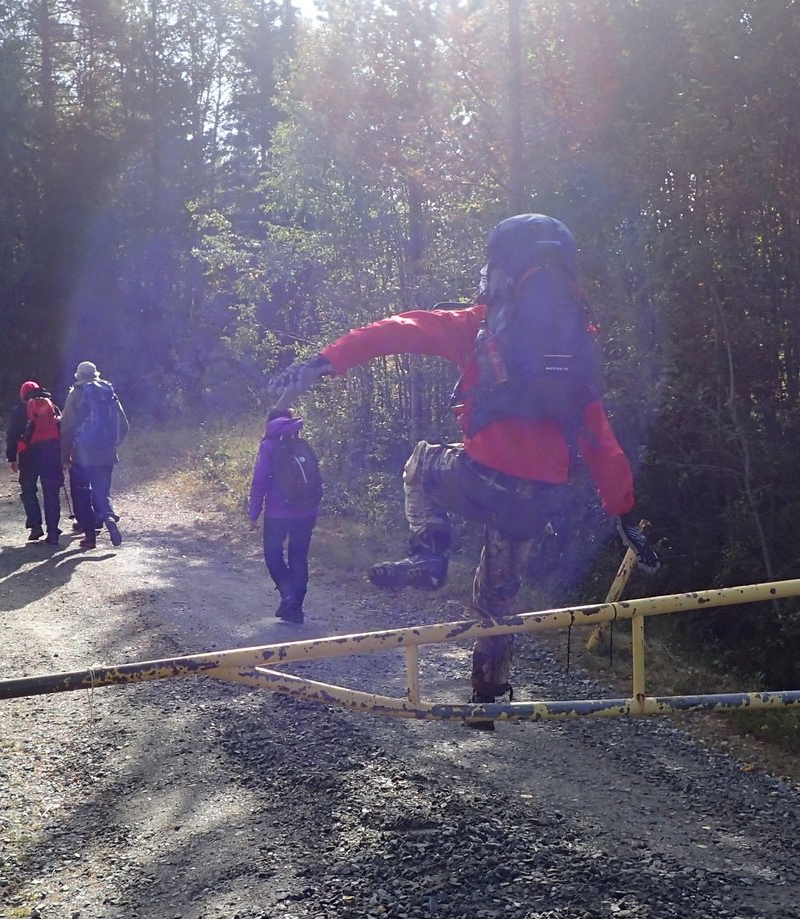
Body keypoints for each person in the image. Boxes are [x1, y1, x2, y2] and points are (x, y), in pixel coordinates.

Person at [266, 214, 651, 722]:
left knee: (421, 463)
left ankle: (430, 554)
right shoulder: (578, 349)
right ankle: (487, 703)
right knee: (497, 603)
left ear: (502, 271)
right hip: (536, 500)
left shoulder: (478, 327)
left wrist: (323, 362)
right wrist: (623, 513)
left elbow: (395, 331)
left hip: (482, 478)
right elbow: (603, 442)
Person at [248, 407, 322, 624]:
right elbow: (315, 479)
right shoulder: (301, 445)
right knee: (298, 556)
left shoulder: (268, 446)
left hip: (277, 514)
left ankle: (288, 596)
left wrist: (254, 513)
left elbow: (259, 481)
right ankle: (295, 608)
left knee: (272, 555)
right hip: (305, 512)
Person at [59, 361, 129, 550]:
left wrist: (64, 456)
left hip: (83, 453)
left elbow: (67, 427)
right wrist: (112, 443)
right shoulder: (108, 392)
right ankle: (108, 516)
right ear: (96, 374)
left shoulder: (76, 393)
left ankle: (90, 537)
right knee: (102, 491)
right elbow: (124, 424)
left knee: (81, 493)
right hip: (107, 453)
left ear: (78, 376)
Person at [5, 380, 63, 544]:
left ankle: (35, 525)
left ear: (23, 394)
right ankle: (53, 532)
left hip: (28, 456)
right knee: (51, 494)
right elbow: (61, 430)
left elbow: (12, 435)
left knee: (28, 491)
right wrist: (64, 455)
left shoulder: (20, 410)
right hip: (51, 455)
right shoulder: (52, 406)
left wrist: (11, 457)